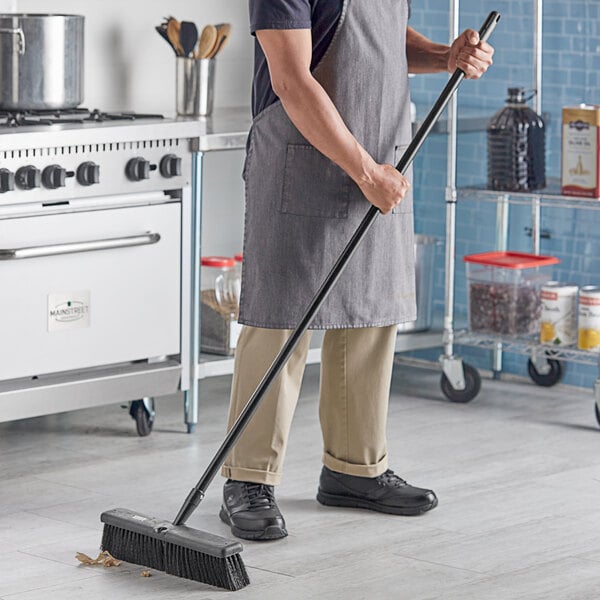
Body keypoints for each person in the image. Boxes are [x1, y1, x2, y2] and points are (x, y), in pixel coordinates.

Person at [219, 0, 494, 541]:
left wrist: (445, 56)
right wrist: (364, 171)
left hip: (379, 154)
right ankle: (247, 479)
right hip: (302, 156)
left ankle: (354, 470)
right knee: (279, 320)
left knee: (372, 313)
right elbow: (293, 80)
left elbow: (384, 41)